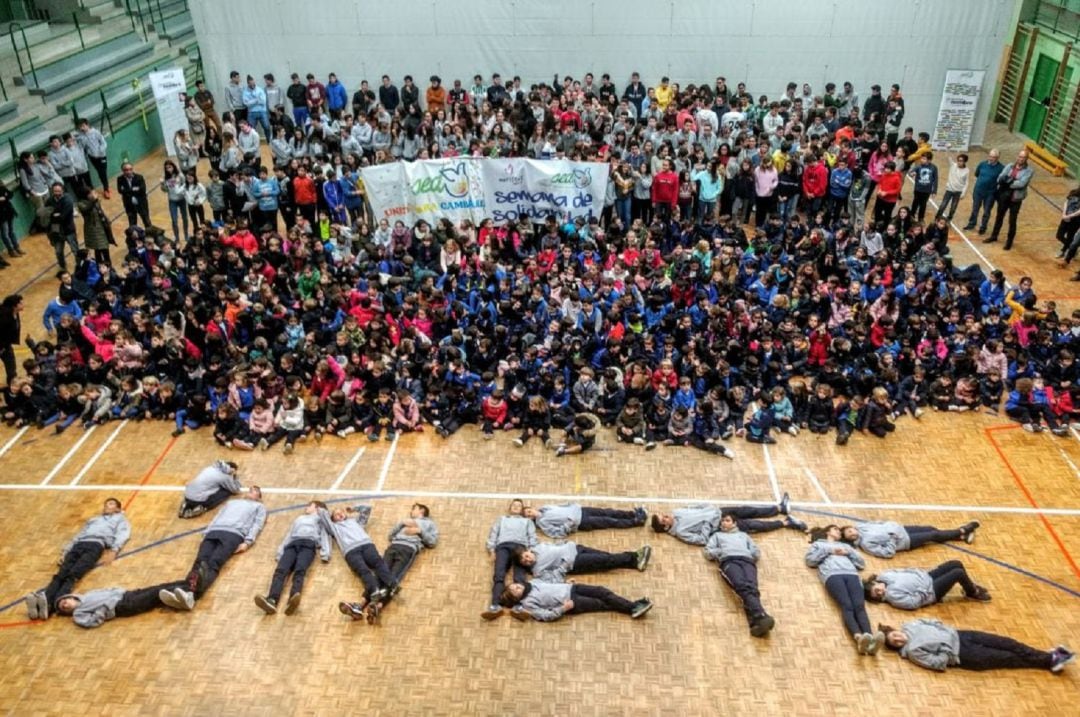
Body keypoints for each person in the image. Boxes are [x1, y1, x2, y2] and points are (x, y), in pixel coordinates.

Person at [24, 497, 131, 619]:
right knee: (60, 575)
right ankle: (44, 604)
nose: (106, 506)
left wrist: (114, 550)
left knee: (73, 575)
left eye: (111, 504)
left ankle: (53, 606)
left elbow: (122, 534)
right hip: (78, 545)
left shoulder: (120, 520)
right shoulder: (94, 520)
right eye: (105, 504)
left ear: (117, 508)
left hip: (96, 545)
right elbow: (79, 535)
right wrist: (65, 551)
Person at [881, 619, 1075, 673]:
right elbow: (937, 663)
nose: (898, 640)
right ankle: (1050, 659)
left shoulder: (912, 625)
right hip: (965, 654)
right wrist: (948, 653)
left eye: (895, 636)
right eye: (895, 643)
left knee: (1008, 643)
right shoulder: (913, 652)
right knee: (1009, 659)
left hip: (962, 634)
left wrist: (948, 632)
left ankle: (1049, 658)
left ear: (895, 630)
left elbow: (932, 621)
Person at [805, 525, 881, 655]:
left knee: (859, 606)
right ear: (828, 531)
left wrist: (849, 553)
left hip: (852, 574)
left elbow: (861, 564)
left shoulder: (847, 546)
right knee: (847, 605)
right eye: (836, 529)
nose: (839, 532)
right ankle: (858, 638)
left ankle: (871, 640)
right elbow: (810, 561)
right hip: (832, 575)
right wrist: (829, 551)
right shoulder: (819, 545)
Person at [184, 486, 266, 598]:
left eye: (256, 491)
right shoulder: (231, 502)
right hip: (213, 532)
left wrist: (248, 542)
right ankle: (187, 590)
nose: (251, 491)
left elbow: (257, 524)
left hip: (233, 535)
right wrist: (206, 532)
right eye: (250, 489)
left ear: (259, 498)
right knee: (199, 561)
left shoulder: (259, 507)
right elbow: (217, 517)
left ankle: (194, 595)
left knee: (214, 563)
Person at [322, 504, 400, 622]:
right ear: (333, 519)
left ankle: (392, 583)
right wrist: (323, 510)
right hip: (351, 551)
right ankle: (374, 591)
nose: (340, 514)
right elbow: (323, 515)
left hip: (366, 545)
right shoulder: (334, 528)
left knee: (378, 563)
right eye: (336, 514)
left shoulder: (356, 521)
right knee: (363, 571)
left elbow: (367, 509)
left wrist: (353, 509)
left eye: (341, 512)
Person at [704, 512, 775, 637]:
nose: (723, 523)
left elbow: (755, 551)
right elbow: (708, 552)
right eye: (722, 521)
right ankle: (761, 615)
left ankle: (756, 624)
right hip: (729, 561)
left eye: (727, 520)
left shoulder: (743, 535)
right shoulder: (717, 536)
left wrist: (750, 554)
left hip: (747, 561)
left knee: (752, 588)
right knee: (741, 586)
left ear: (734, 523)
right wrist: (721, 551)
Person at [254, 500, 331, 615]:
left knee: (300, 570)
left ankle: (293, 599)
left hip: (308, 545)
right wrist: (280, 551)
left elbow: (325, 535)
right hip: (292, 545)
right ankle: (272, 600)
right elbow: (289, 534)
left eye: (309, 505)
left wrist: (326, 553)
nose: (307, 507)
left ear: (316, 507)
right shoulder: (299, 518)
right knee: (280, 571)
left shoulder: (320, 519)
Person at [650, 494, 804, 545]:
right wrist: (707, 524)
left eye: (663, 515)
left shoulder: (676, 511)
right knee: (753, 525)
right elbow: (702, 540)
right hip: (719, 524)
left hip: (719, 511)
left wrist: (708, 506)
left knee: (748, 510)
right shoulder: (681, 533)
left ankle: (780, 508)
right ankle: (785, 523)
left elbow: (694, 506)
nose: (666, 515)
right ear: (665, 527)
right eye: (664, 519)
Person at [482, 498, 537, 620]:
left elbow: (532, 536)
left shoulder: (527, 521)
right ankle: (495, 606)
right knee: (499, 576)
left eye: (519, 505)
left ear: (521, 509)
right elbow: (494, 533)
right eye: (514, 505)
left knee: (520, 577)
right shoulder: (502, 519)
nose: (516, 507)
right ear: (510, 508)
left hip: (520, 547)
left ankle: (518, 607)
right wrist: (492, 550)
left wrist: (530, 550)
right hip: (503, 547)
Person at [50, 581, 196, 626]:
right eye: (63, 607)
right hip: (122, 606)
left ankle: (189, 585)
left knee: (158, 587)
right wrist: (104, 608)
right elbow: (92, 621)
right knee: (155, 595)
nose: (64, 604)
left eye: (64, 601)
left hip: (126, 594)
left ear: (70, 597)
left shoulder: (88, 594)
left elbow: (107, 588)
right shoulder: (78, 614)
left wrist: (119, 591)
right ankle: (190, 592)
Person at [863, 560, 991, 609]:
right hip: (931, 591)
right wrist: (924, 592)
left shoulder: (885, 575)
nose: (880, 592)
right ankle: (973, 592)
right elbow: (913, 603)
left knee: (956, 564)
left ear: (875, 583)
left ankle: (968, 587)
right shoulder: (892, 597)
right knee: (957, 573)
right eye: (877, 596)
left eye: (876, 590)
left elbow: (905, 570)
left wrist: (920, 573)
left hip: (927, 576)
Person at [501, 580, 653, 621]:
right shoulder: (528, 604)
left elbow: (550, 581)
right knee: (602, 604)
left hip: (572, 587)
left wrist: (564, 581)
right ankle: (633, 608)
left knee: (602, 591)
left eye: (514, 586)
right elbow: (544, 616)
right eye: (514, 591)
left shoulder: (533, 582)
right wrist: (563, 609)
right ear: (516, 599)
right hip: (572, 602)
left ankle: (633, 607)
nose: (517, 587)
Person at [513, 541, 651, 583]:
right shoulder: (537, 571)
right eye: (524, 562)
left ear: (528, 551)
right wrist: (563, 566)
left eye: (525, 556)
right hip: (575, 562)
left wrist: (565, 542)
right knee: (606, 560)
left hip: (575, 548)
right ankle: (635, 555)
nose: (527, 560)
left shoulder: (538, 546)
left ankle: (634, 564)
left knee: (607, 558)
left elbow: (554, 544)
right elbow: (554, 579)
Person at [839, 519, 979, 558]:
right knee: (933, 535)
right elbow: (887, 553)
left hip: (902, 528)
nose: (853, 533)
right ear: (851, 539)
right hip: (906, 541)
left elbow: (877, 523)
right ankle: (963, 530)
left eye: (850, 530)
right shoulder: (866, 544)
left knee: (931, 528)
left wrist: (889, 523)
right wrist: (893, 539)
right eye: (850, 535)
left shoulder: (861, 526)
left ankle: (961, 538)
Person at [984, 149, 1033, 250]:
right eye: (1020, 156)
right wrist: (1009, 181)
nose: (1021, 159)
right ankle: (994, 236)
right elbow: (1000, 178)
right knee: (999, 217)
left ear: (1026, 159)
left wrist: (1007, 182)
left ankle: (1009, 241)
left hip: (1015, 198)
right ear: (1017, 156)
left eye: (1023, 157)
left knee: (1012, 220)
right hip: (1004, 196)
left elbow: (1022, 184)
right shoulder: (1010, 166)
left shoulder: (1029, 171)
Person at [523, 503, 646, 538]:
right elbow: (556, 533)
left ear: (531, 508)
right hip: (581, 522)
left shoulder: (545, 507)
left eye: (529, 511)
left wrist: (572, 505)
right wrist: (568, 525)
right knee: (609, 521)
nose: (530, 514)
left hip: (581, 510)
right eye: (528, 516)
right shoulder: (542, 523)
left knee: (608, 511)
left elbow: (562, 506)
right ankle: (635, 521)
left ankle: (633, 514)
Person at [178, 460, 244, 518]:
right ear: (232, 469)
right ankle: (203, 508)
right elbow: (235, 490)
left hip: (187, 495)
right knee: (226, 491)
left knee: (209, 487)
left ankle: (186, 505)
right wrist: (234, 477)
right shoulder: (225, 476)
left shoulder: (210, 468)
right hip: (198, 501)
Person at [45, 182, 78, 271]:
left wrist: (55, 214)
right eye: (55, 191)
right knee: (58, 252)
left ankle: (79, 266)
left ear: (62, 190)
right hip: (56, 231)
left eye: (59, 191)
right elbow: (47, 214)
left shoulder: (68, 200)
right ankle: (63, 267)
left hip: (68, 229)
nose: (57, 193)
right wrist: (55, 215)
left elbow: (63, 216)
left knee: (75, 250)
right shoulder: (49, 201)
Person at [76, 189, 114, 266]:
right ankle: (100, 266)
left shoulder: (95, 201)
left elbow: (100, 210)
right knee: (98, 249)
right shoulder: (81, 204)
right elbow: (87, 209)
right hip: (92, 229)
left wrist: (106, 219)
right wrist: (93, 201)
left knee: (105, 248)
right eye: (90, 193)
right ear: (86, 195)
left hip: (101, 226)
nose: (92, 194)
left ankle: (108, 266)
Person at [75, 118, 109, 198]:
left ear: (87, 125)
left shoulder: (96, 132)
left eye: (83, 126)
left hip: (101, 156)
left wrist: (100, 151)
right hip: (92, 157)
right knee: (99, 172)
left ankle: (106, 189)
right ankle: (105, 187)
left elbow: (103, 142)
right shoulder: (81, 137)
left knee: (103, 173)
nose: (82, 128)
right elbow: (83, 147)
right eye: (80, 127)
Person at [116, 162, 150, 228]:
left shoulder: (139, 177)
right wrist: (133, 189)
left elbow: (142, 190)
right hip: (129, 205)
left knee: (147, 221)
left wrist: (127, 190)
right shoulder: (120, 179)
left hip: (141, 204)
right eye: (126, 170)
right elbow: (120, 191)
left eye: (130, 169)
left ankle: (150, 236)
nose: (129, 172)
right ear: (123, 171)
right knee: (132, 224)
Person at [0, 294, 23, 386]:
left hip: (6, 346)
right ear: (14, 305)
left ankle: (12, 387)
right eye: (20, 303)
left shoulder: (15, 313)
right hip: (1, 345)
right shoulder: (3, 318)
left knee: (11, 369)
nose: (23, 304)